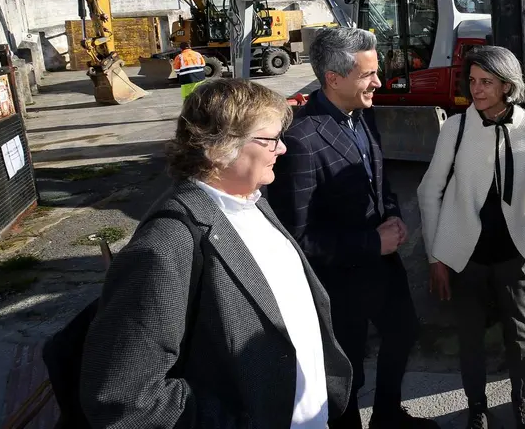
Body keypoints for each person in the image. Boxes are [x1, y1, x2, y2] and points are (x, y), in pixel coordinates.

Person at [80, 78, 353, 428]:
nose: (282, 149)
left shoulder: (250, 202)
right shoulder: (165, 245)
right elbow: (124, 400)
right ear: (218, 148)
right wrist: (240, 417)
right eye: (270, 139)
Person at [269, 27, 438, 429]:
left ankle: (387, 416)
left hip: (383, 268)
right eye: (368, 75)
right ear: (333, 78)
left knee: (403, 333)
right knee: (348, 371)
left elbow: (378, 179)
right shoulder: (301, 140)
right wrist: (370, 242)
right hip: (339, 284)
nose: (378, 82)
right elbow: (297, 238)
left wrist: (393, 214)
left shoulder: (362, 115)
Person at [417, 46, 525, 429]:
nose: (476, 90)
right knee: (470, 336)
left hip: (515, 251)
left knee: (519, 333)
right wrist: (436, 257)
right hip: (466, 253)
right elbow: (429, 190)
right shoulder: (456, 127)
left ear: (507, 85)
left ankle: (522, 400)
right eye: (474, 81)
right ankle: (476, 407)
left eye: (487, 82)